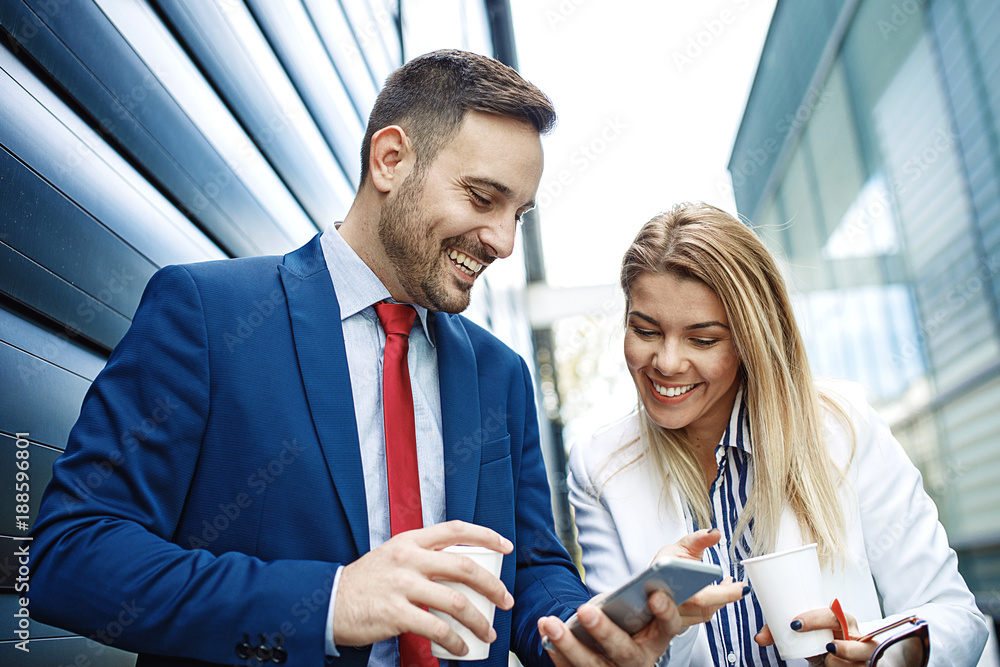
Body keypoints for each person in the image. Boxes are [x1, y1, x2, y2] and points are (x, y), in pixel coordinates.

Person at [30, 50, 680, 667]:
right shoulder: (207, 313)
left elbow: (533, 567)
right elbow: (73, 553)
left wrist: (583, 634)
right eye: (484, 199)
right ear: (391, 159)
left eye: (520, 213)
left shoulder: (499, 374)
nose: (504, 242)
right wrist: (332, 599)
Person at [567, 202, 988, 666]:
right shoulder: (599, 464)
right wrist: (663, 615)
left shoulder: (842, 425)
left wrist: (876, 652)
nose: (667, 362)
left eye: (703, 340)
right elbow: (610, 656)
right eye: (645, 330)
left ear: (750, 339)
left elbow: (956, 618)